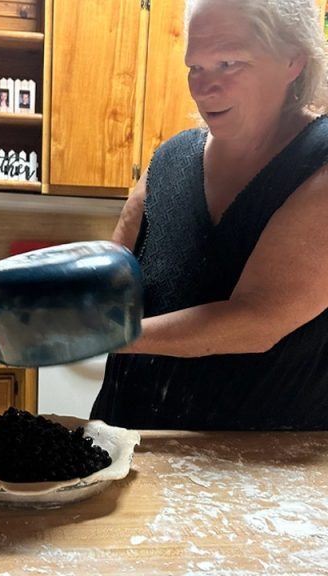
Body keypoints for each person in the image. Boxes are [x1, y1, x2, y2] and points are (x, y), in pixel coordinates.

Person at [91, 0, 328, 430]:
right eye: (194, 68)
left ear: (293, 58)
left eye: (227, 63)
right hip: (130, 443)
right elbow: (109, 271)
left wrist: (107, 335)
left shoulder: (321, 164)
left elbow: (259, 318)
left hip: (255, 470)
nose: (203, 88)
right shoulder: (169, 158)